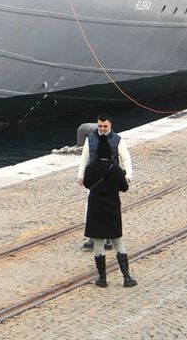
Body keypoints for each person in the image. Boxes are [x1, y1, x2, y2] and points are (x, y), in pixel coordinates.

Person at [82, 142, 136, 288]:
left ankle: (102, 278)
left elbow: (86, 184)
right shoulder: (116, 169)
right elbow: (124, 188)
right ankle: (126, 277)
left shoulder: (90, 168)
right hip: (112, 208)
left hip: (95, 209)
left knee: (98, 243)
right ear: (110, 153)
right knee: (118, 242)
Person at [78, 116, 134, 249]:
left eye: (105, 126)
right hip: (94, 177)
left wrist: (128, 174)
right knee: (91, 208)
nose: (102, 129)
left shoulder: (118, 140)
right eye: (100, 126)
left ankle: (109, 237)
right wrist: (80, 175)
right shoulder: (90, 139)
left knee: (110, 208)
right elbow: (84, 158)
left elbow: (125, 158)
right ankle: (92, 236)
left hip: (111, 177)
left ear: (110, 125)